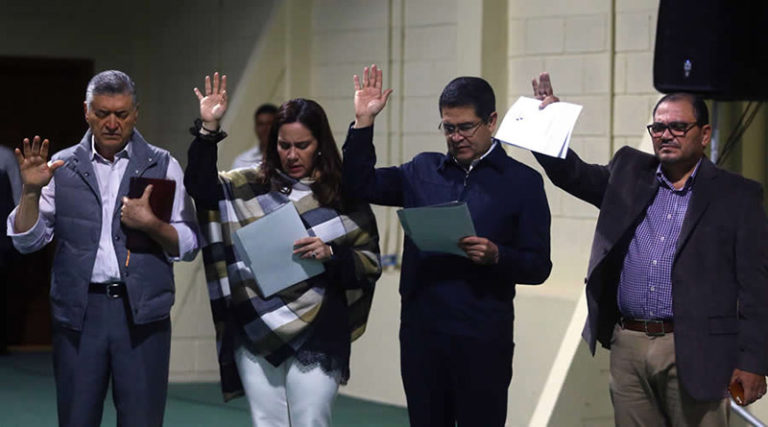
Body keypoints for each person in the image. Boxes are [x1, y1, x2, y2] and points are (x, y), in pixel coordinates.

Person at [531, 74, 768, 426]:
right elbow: (573, 174)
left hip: (696, 347)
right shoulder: (628, 171)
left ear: (704, 135)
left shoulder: (737, 195)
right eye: (658, 128)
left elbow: (756, 287)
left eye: (677, 126)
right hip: (629, 343)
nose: (665, 134)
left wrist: (752, 362)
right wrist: (549, 123)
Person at [342, 65, 552, 426]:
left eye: (465, 127)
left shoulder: (523, 183)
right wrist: (363, 123)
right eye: (448, 128)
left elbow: (539, 266)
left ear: (491, 121)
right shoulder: (421, 171)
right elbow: (358, 186)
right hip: (423, 335)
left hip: (483, 338)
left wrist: (497, 255)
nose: (456, 137)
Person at [185, 72, 381, 426]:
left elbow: (368, 264)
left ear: (320, 143)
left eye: (302, 145)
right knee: (267, 422)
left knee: (311, 421)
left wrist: (331, 254)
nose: (291, 155)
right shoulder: (247, 186)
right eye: (283, 144)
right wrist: (208, 129)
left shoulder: (342, 195)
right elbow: (200, 186)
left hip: (320, 327)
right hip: (255, 324)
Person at [6, 70, 199, 426]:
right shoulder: (60, 167)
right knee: (77, 418)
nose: (112, 122)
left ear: (136, 113)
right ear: (86, 112)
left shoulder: (162, 163)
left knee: (142, 419)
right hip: (79, 314)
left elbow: (189, 244)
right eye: (102, 113)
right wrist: (30, 192)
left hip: (142, 315)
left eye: (122, 114)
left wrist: (153, 225)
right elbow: (26, 241)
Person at [231, 103, 278, 169]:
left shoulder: (289, 156)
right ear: (255, 127)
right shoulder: (243, 161)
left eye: (270, 124)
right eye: (261, 124)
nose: (265, 129)